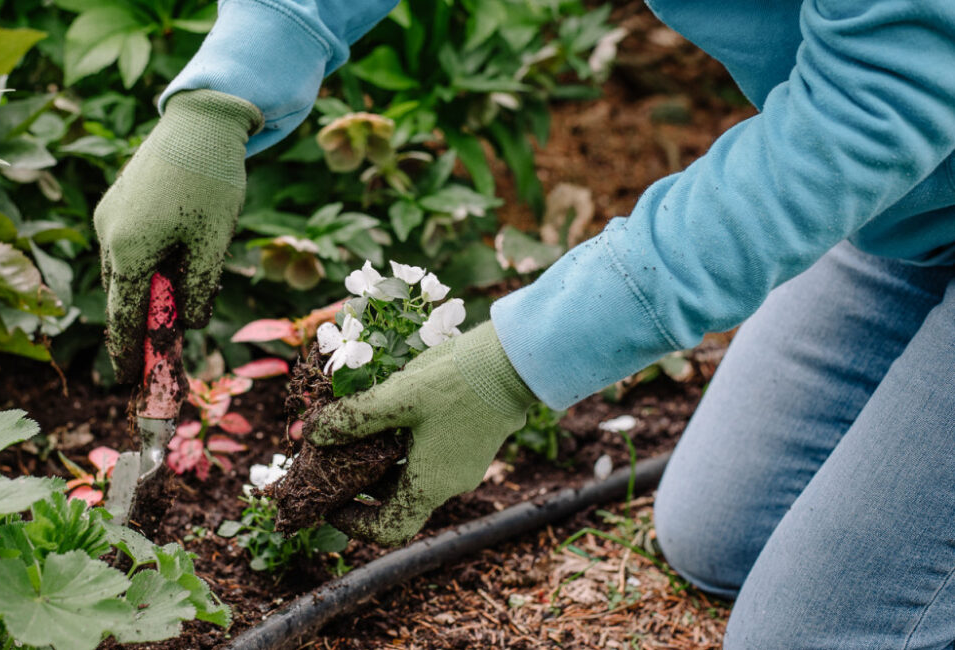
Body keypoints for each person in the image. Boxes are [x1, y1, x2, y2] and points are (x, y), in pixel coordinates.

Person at [93, 0, 955, 645]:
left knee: (808, 637)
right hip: (914, 209)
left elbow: (875, 99)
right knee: (714, 538)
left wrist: (514, 365)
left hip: (901, 133)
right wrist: (226, 92)